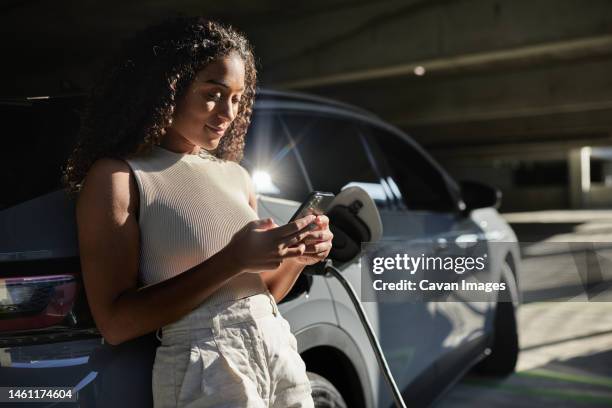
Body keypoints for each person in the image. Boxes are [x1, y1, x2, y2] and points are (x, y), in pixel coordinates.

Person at [63, 17, 333, 407]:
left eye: (237, 98)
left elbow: (262, 292)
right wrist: (234, 258)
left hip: (278, 351)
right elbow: (116, 322)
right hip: (206, 366)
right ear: (166, 89)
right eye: (213, 93)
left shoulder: (236, 176)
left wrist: (298, 258)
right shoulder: (119, 176)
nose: (228, 112)